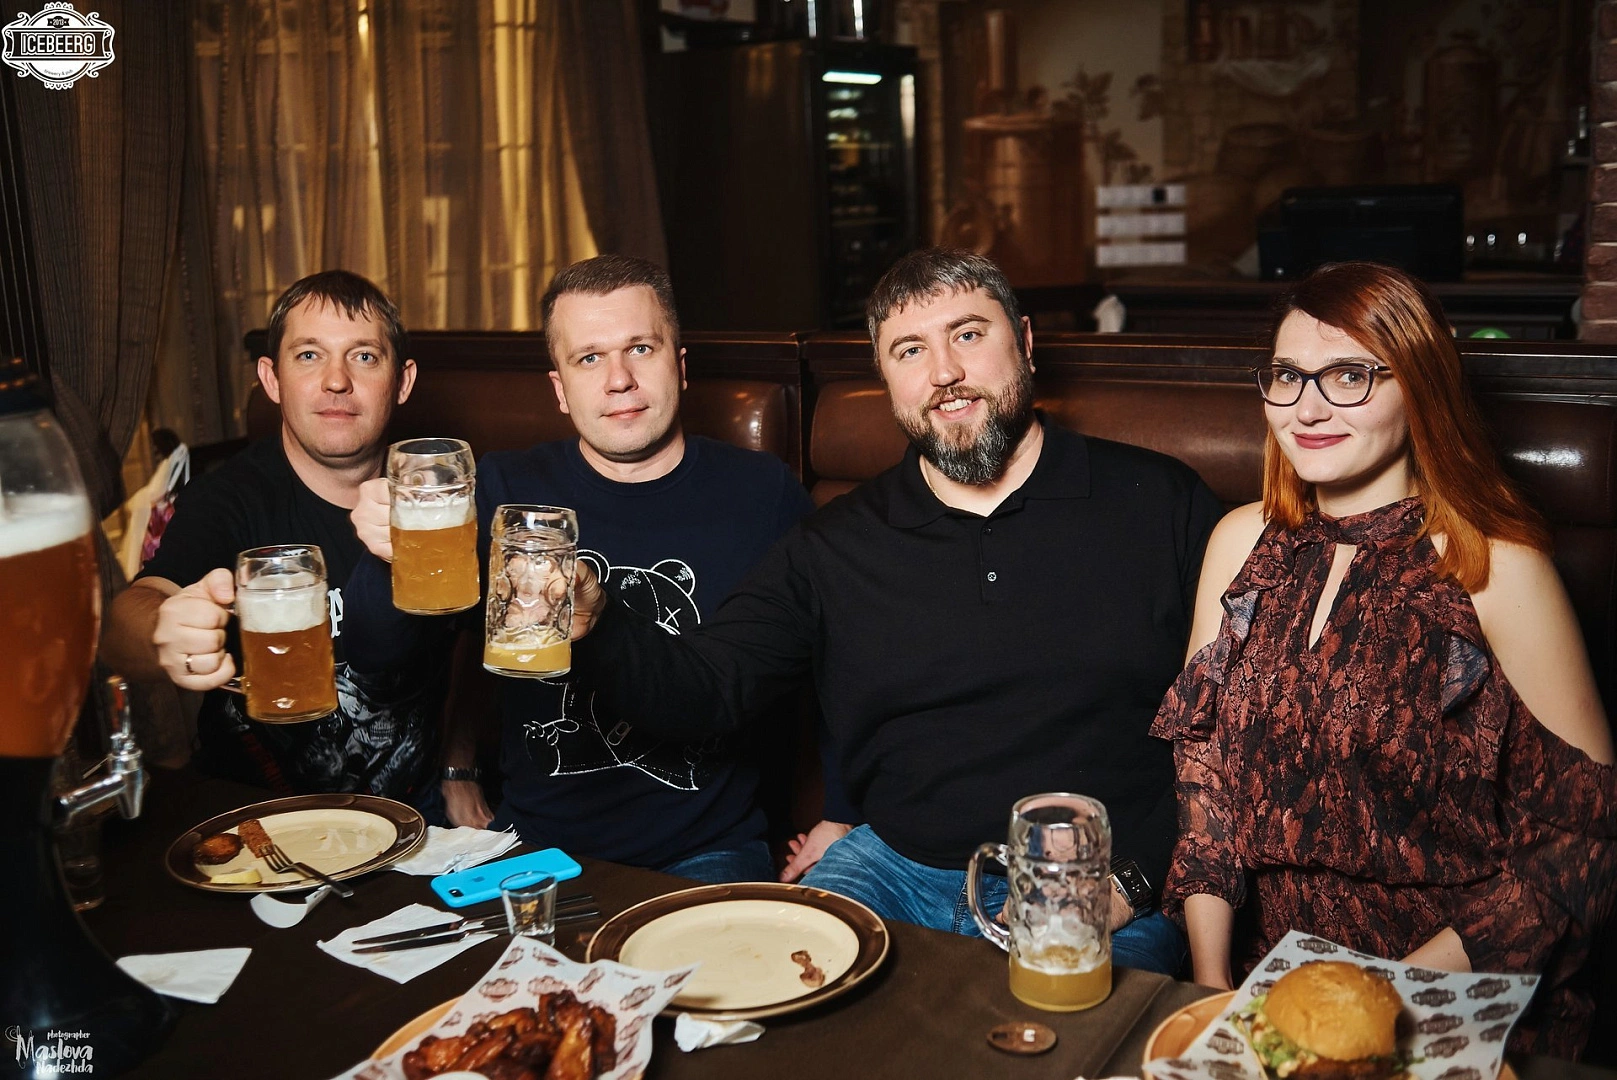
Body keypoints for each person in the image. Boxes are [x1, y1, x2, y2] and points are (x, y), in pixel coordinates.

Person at [565, 248, 1224, 974]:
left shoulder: (1160, 503)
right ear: (885, 377)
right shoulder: (833, 544)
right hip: (893, 867)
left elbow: (1233, 735)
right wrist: (599, 624)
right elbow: (707, 689)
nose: (944, 372)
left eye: (968, 334)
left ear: (1025, 342)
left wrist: (1134, 879)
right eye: (910, 350)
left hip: (1098, 873)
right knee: (775, 1001)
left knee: (1074, 1030)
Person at [1150, 261, 1615, 1055]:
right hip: (1269, 987)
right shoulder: (1237, 543)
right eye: (1286, 376)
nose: (1307, 407)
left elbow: (1583, 841)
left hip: (1453, 992)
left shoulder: (1497, 570)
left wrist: (1380, 999)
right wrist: (1210, 982)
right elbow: (1207, 787)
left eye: (1349, 376)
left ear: (1419, 387)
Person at [343, 254, 815, 883]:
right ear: (560, 389)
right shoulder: (503, 487)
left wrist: (840, 812)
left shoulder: (763, 494)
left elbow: (834, 663)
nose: (619, 379)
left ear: (679, 366)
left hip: (706, 849)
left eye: (640, 348)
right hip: (533, 843)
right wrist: (387, 555)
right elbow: (377, 653)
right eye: (589, 358)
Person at [101, 270, 444, 806]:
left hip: (416, 815)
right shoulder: (229, 498)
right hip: (258, 812)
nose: (336, 380)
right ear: (272, 378)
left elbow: (471, 640)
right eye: (309, 355)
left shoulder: (440, 497)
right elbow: (123, 625)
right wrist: (162, 631)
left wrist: (461, 767)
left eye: (364, 356)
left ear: (402, 381)